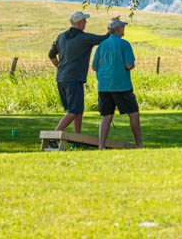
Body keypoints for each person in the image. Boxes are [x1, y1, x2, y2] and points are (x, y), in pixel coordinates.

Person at [46, 11, 109, 143]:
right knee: (74, 110)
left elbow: (51, 55)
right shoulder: (83, 38)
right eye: (85, 21)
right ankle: (54, 136)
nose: (86, 22)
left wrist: (60, 68)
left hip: (61, 79)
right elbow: (103, 39)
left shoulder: (61, 37)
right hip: (74, 79)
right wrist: (112, 28)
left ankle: (77, 139)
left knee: (77, 109)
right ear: (79, 23)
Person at [92, 17, 143, 149]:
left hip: (103, 86)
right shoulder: (124, 44)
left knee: (106, 116)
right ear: (118, 29)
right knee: (133, 113)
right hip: (121, 85)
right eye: (123, 27)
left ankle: (101, 146)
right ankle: (139, 144)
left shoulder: (102, 45)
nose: (124, 29)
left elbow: (94, 67)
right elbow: (129, 65)